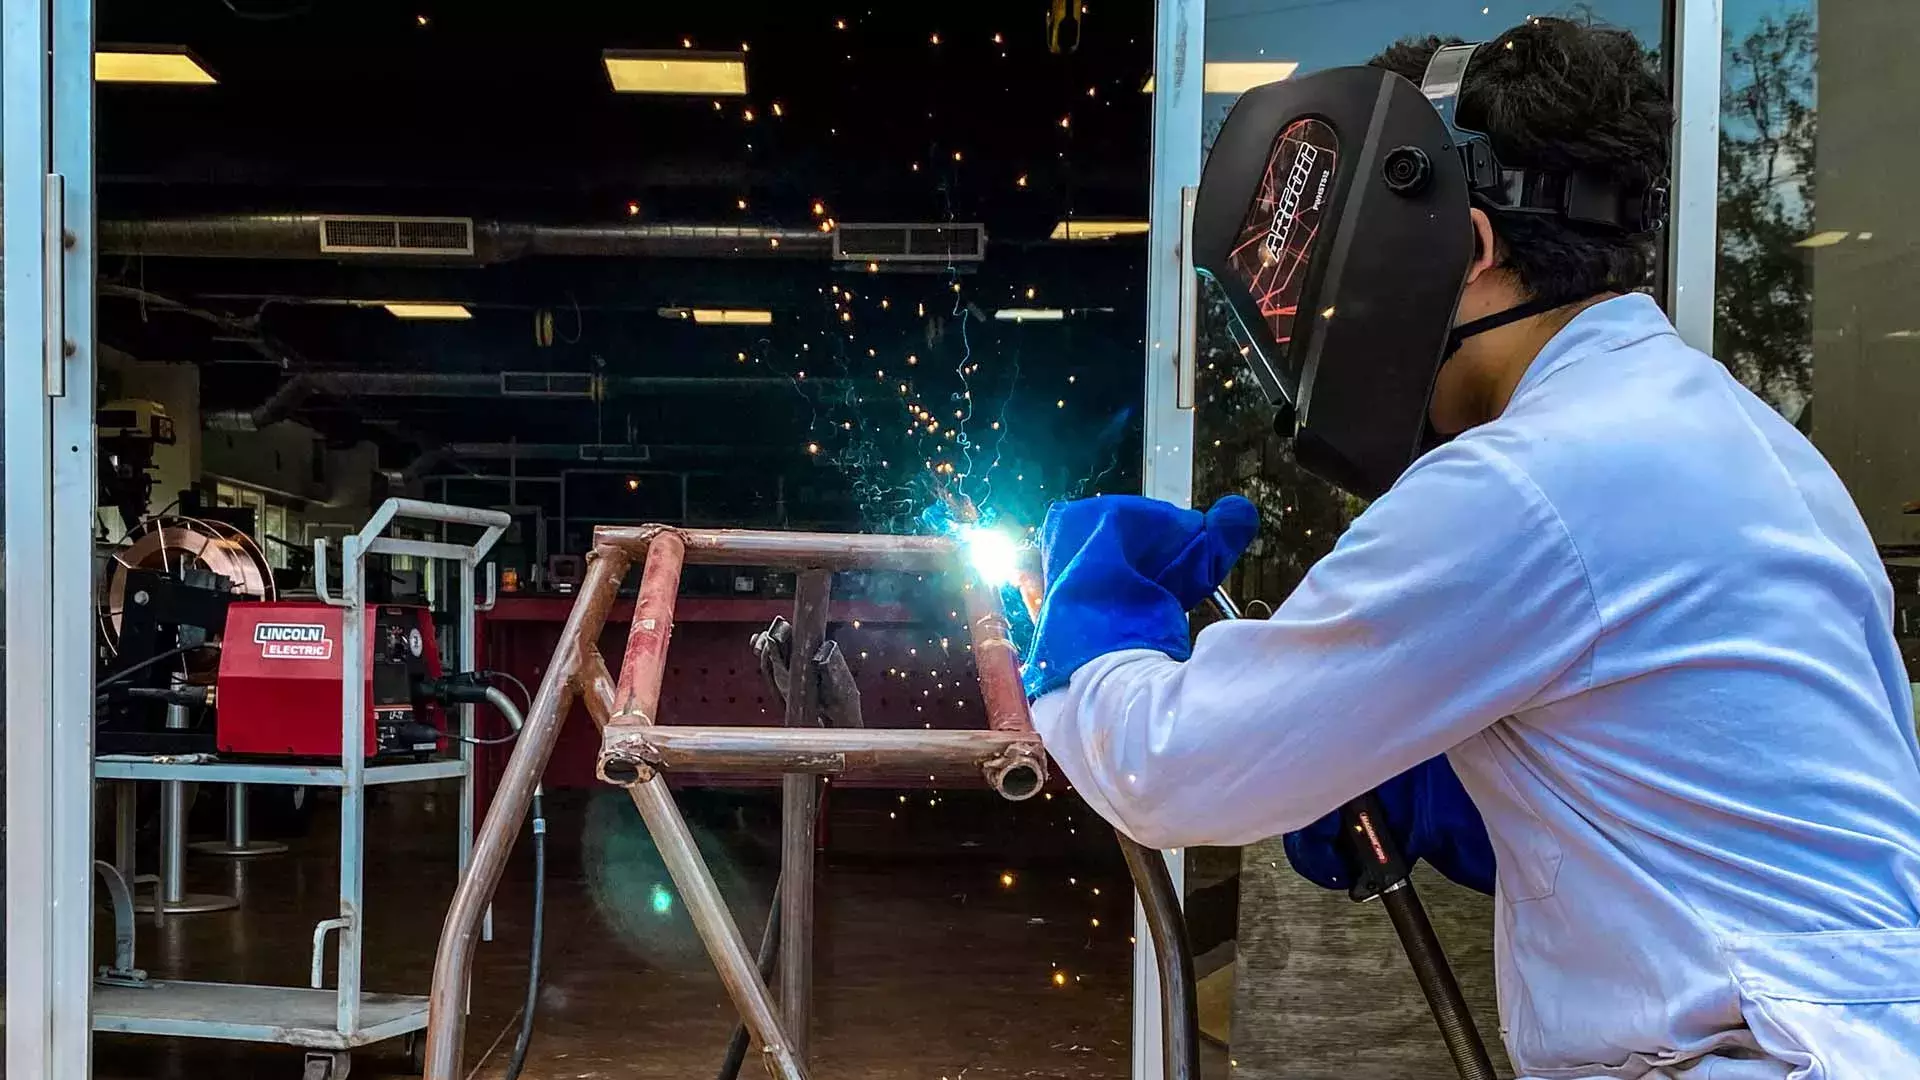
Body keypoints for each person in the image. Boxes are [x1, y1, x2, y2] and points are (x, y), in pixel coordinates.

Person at [1024, 18, 1920, 1079]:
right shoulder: (1747, 444)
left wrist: (1090, 628)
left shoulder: (1531, 480)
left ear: (1470, 249)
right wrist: (1498, 794)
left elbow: (1175, 769)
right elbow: (1722, 772)